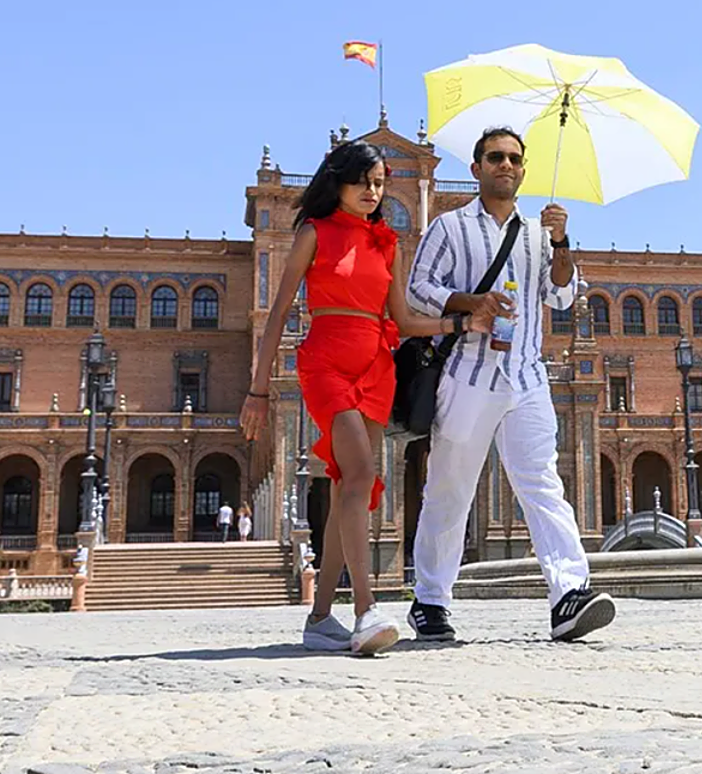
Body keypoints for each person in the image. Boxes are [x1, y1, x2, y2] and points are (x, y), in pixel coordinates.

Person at [241, 141, 491, 656]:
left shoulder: (387, 244)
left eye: (379, 184)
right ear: (338, 182)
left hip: (377, 367)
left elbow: (404, 320)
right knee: (358, 476)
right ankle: (365, 609)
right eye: (364, 182)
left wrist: (461, 324)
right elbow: (277, 314)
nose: (373, 192)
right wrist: (258, 390)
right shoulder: (314, 233)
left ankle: (319, 618)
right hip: (326, 363)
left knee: (345, 490)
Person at [405, 126, 616, 643]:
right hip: (468, 375)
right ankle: (430, 599)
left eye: (515, 159)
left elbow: (561, 296)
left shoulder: (538, 234)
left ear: (523, 170)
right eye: (496, 157)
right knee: (450, 487)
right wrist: (470, 304)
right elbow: (418, 288)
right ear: (477, 168)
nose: (506, 165)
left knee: (542, 482)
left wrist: (561, 243)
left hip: (526, 376)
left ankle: (569, 593)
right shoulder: (449, 227)